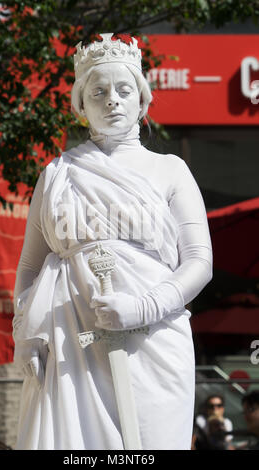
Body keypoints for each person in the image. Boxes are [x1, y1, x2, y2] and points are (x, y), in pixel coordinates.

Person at [12, 33, 213, 450]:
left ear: (142, 101)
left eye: (124, 90)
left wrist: (143, 307)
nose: (112, 100)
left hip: (154, 341)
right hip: (69, 339)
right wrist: (24, 331)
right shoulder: (56, 174)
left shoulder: (171, 170)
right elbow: (31, 267)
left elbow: (198, 261)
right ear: (80, 105)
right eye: (98, 91)